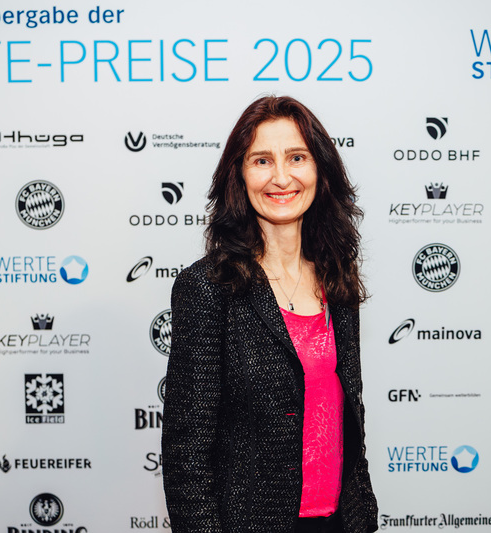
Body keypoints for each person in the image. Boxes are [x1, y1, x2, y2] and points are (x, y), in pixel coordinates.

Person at [161, 95, 378, 533]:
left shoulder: (337, 276)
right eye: (262, 160)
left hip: (340, 522)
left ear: (320, 169)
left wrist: (363, 514)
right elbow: (187, 453)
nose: (281, 177)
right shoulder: (208, 287)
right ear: (239, 175)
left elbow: (346, 414)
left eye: (297, 157)